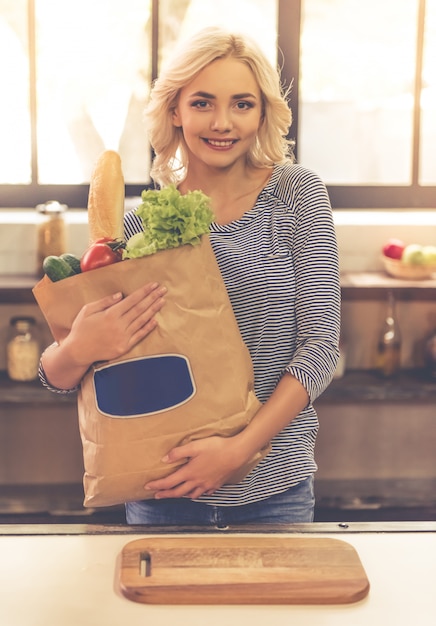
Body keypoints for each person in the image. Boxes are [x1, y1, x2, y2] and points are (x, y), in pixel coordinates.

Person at [40, 27, 341, 526]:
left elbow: (321, 349)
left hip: (275, 493)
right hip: (162, 494)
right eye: (202, 103)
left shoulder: (296, 195)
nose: (222, 123)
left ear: (263, 112)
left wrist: (239, 449)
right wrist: (79, 347)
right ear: (175, 111)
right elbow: (56, 376)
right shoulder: (139, 226)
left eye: (242, 104)